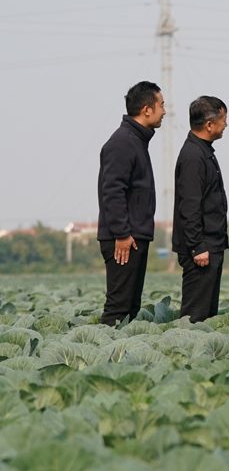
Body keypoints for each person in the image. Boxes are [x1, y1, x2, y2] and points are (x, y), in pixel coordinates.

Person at [97, 81, 164, 326]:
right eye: (161, 105)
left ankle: (121, 361)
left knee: (130, 309)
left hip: (133, 235)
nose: (164, 111)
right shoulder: (123, 142)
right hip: (124, 238)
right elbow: (112, 191)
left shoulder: (136, 140)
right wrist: (122, 233)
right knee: (118, 308)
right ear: (147, 109)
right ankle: (105, 358)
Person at [172, 96, 229, 323]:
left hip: (210, 245)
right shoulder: (194, 156)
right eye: (223, 119)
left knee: (206, 313)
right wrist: (197, 247)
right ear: (209, 125)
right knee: (195, 315)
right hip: (201, 249)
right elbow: (190, 206)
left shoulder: (202, 151)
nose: (225, 124)